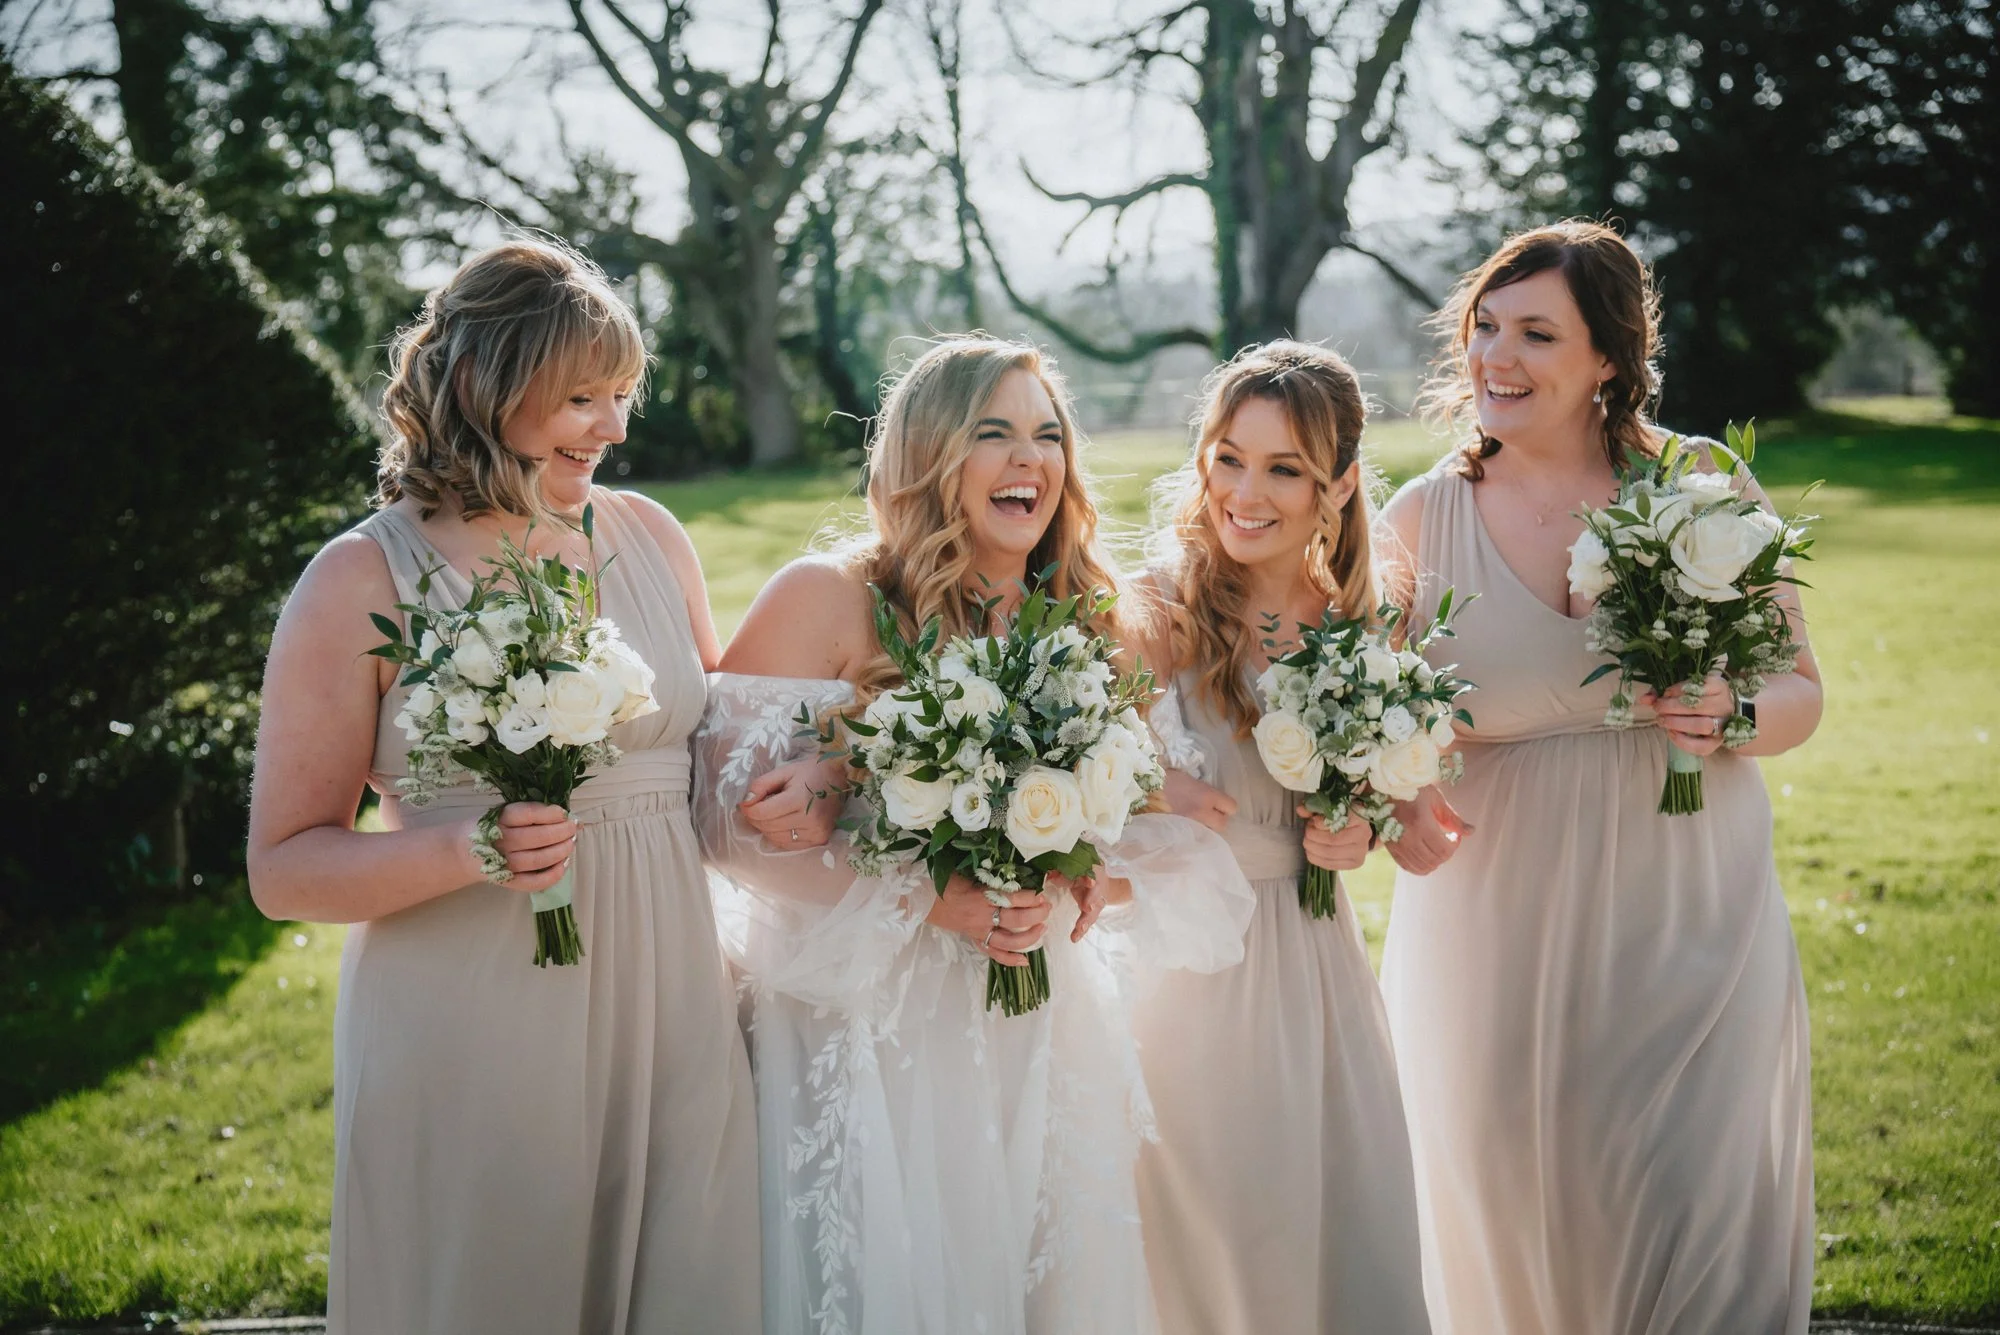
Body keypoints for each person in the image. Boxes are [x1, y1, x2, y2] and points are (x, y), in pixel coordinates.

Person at [246, 239, 760, 1334]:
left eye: (622, 395)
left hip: (674, 1007)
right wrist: (465, 848)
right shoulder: (360, 578)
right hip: (475, 1026)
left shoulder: (650, 538)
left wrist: (781, 790)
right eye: (582, 397)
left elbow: (704, 767)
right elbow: (283, 869)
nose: (614, 428)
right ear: (486, 387)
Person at [694, 335, 1256, 1334]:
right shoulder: (822, 597)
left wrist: (1085, 878)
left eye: (1046, 436)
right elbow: (716, 826)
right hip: (865, 1023)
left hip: (1035, 1018)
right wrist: (910, 883)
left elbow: (1136, 829)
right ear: (926, 454)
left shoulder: (1092, 620)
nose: (1028, 461)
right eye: (991, 434)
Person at [1378, 220, 1820, 1334]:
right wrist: (1392, 801)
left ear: (1608, 361)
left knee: (1688, 1194)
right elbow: (1363, 732)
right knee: (1518, 1205)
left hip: (1687, 910)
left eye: (1535, 333)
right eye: (1483, 328)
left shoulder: (1703, 483)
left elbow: (1799, 692)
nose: (1495, 357)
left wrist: (1732, 712)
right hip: (1493, 930)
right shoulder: (1416, 520)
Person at [1134, 341, 1430, 1334]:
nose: (1243, 493)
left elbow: (1390, 804)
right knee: (1221, 1226)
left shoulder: (1363, 621)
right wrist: (1146, 785)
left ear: (1337, 486)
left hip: (1314, 960)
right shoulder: (1155, 605)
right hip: (1188, 965)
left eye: (1281, 469)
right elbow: (1066, 765)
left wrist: (1359, 831)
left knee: (1340, 1207)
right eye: (1227, 457)